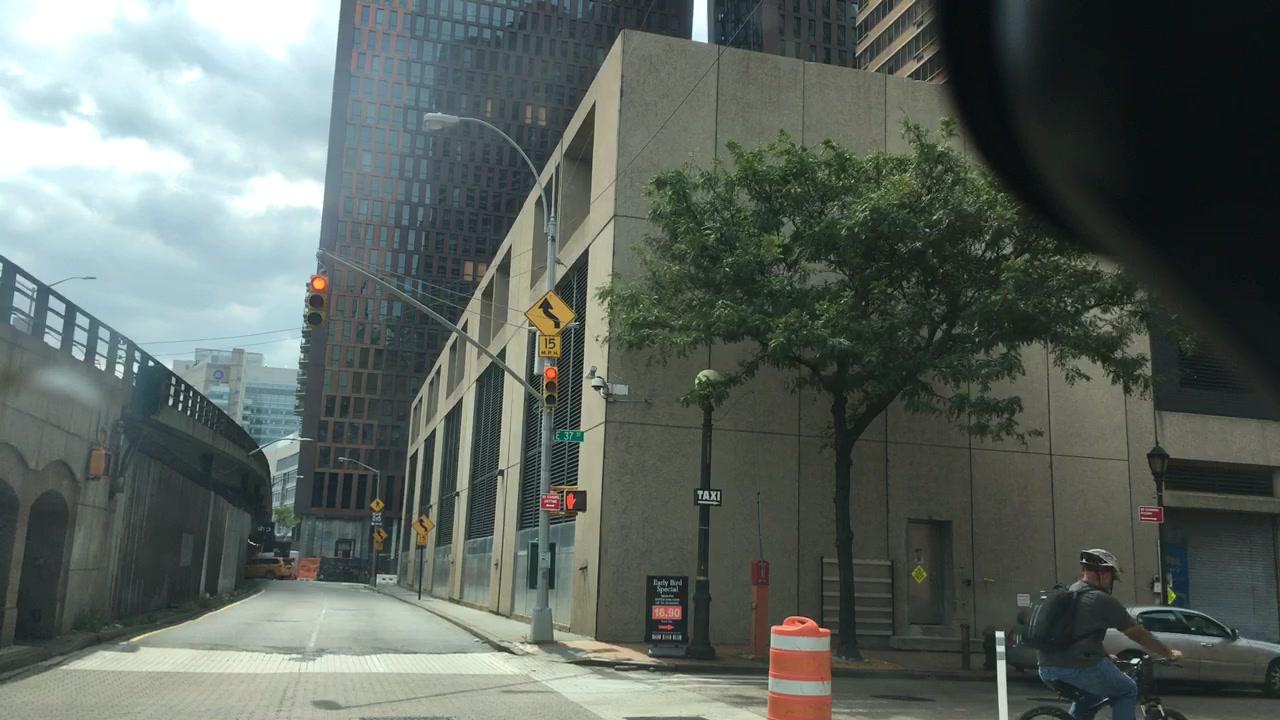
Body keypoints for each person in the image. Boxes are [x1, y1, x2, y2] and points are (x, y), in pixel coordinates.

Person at [1037, 548, 1183, 720]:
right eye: (1112, 576)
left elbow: (1077, 634)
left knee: (1091, 696)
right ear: (1103, 574)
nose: (1111, 581)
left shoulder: (1071, 592)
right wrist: (1168, 652)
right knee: (1127, 689)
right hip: (1077, 667)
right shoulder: (1101, 600)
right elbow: (1138, 634)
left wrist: (1106, 655)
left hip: (1046, 667)